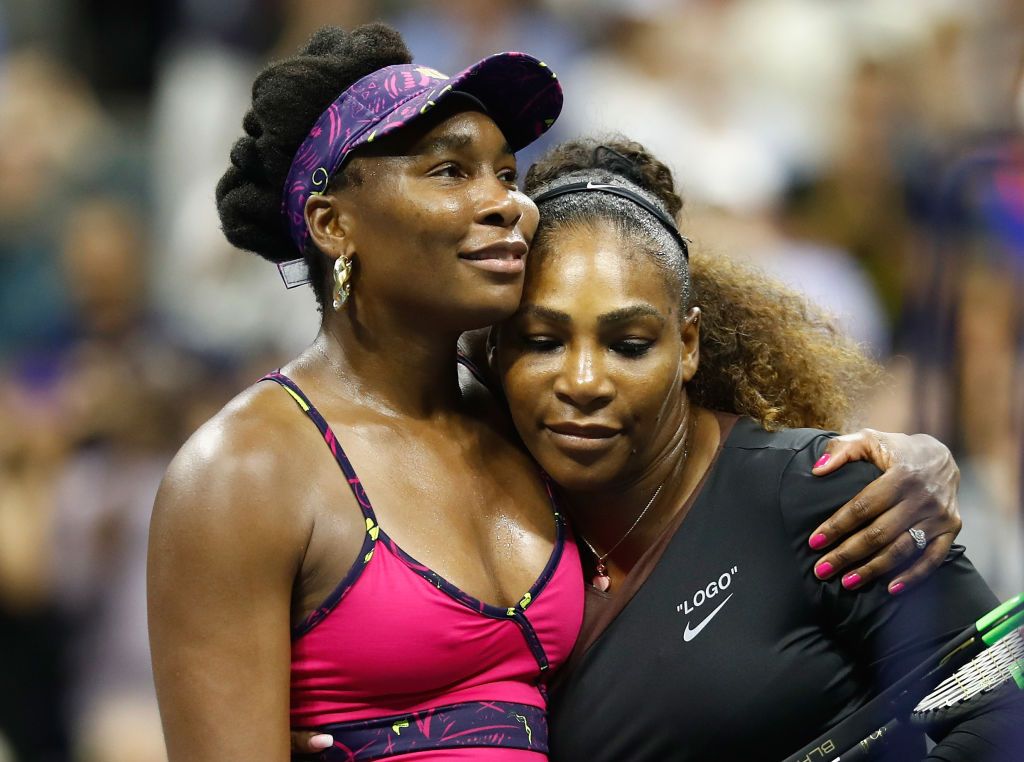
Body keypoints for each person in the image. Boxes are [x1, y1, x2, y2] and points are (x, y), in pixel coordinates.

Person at [149, 24, 962, 762]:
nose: (505, 201)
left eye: (505, 172)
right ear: (333, 225)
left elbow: (710, 472)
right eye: (449, 170)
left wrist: (902, 463)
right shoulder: (244, 470)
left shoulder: (528, 427)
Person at [488, 137, 1018, 760]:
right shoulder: (466, 505)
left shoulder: (826, 493)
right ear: (494, 349)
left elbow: (1001, 713)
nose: (582, 382)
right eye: (543, 341)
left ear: (687, 345)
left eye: (628, 345)